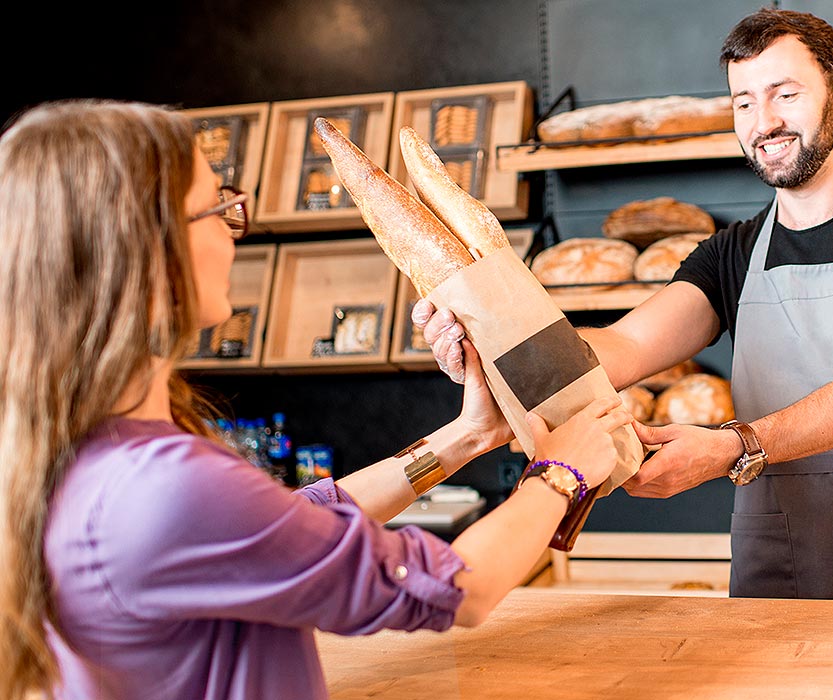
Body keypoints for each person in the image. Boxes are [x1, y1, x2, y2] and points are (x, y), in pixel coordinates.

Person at [0, 99, 630, 700]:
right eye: (216, 208)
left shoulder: (91, 451)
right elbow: (454, 589)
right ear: (145, 246)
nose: (234, 231)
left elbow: (286, 523)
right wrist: (559, 473)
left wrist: (466, 436)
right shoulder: (163, 487)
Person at [417, 8, 833, 602]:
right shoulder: (731, 252)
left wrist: (735, 445)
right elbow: (624, 347)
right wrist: (493, 340)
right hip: (776, 545)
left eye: (786, 94)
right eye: (744, 102)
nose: (766, 122)